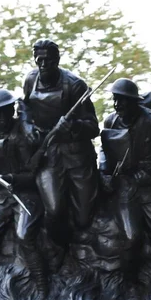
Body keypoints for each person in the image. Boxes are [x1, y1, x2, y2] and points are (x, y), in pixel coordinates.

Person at [100, 78, 151, 300]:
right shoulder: (111, 121)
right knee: (131, 237)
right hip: (125, 189)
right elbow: (104, 152)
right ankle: (131, 285)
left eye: (122, 101)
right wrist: (105, 174)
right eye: (115, 100)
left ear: (134, 102)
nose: (117, 105)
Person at [0, 88, 48, 300]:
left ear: (12, 110)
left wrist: (10, 178)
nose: (2, 118)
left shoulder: (23, 134)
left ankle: (42, 291)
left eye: (6, 112)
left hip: (24, 193)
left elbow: (33, 174)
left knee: (25, 236)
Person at [22, 38, 99, 244]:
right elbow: (24, 108)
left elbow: (93, 127)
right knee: (54, 210)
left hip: (76, 156)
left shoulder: (75, 85)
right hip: (47, 154)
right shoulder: (30, 80)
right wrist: (27, 126)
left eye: (48, 60)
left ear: (57, 59)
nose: (43, 65)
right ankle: (56, 249)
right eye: (39, 60)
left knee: (83, 218)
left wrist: (73, 126)